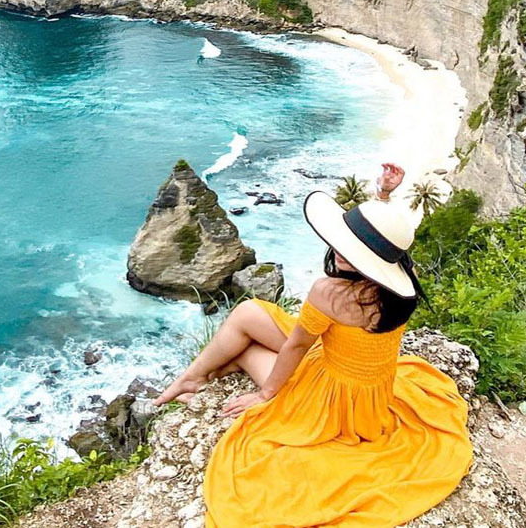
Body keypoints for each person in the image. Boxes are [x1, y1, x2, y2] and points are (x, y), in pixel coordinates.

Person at [153, 163, 472, 528]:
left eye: (353, 250)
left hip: (331, 398)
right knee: (248, 312)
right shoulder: (402, 287)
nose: (341, 251)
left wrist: (266, 394)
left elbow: (297, 347)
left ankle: (198, 376)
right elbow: (378, 243)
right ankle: (194, 378)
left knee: (243, 345)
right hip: (364, 379)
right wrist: (382, 195)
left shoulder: (331, 291)